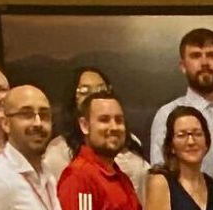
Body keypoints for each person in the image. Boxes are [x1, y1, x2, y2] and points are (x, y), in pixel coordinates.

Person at [147, 27, 213, 180]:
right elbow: (159, 177)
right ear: (183, 66)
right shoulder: (166, 115)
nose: (204, 62)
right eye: (196, 56)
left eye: (211, 55)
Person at [42, 65, 152, 196]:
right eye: (84, 91)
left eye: (101, 89)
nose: (95, 96)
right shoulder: (58, 151)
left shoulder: (130, 140)